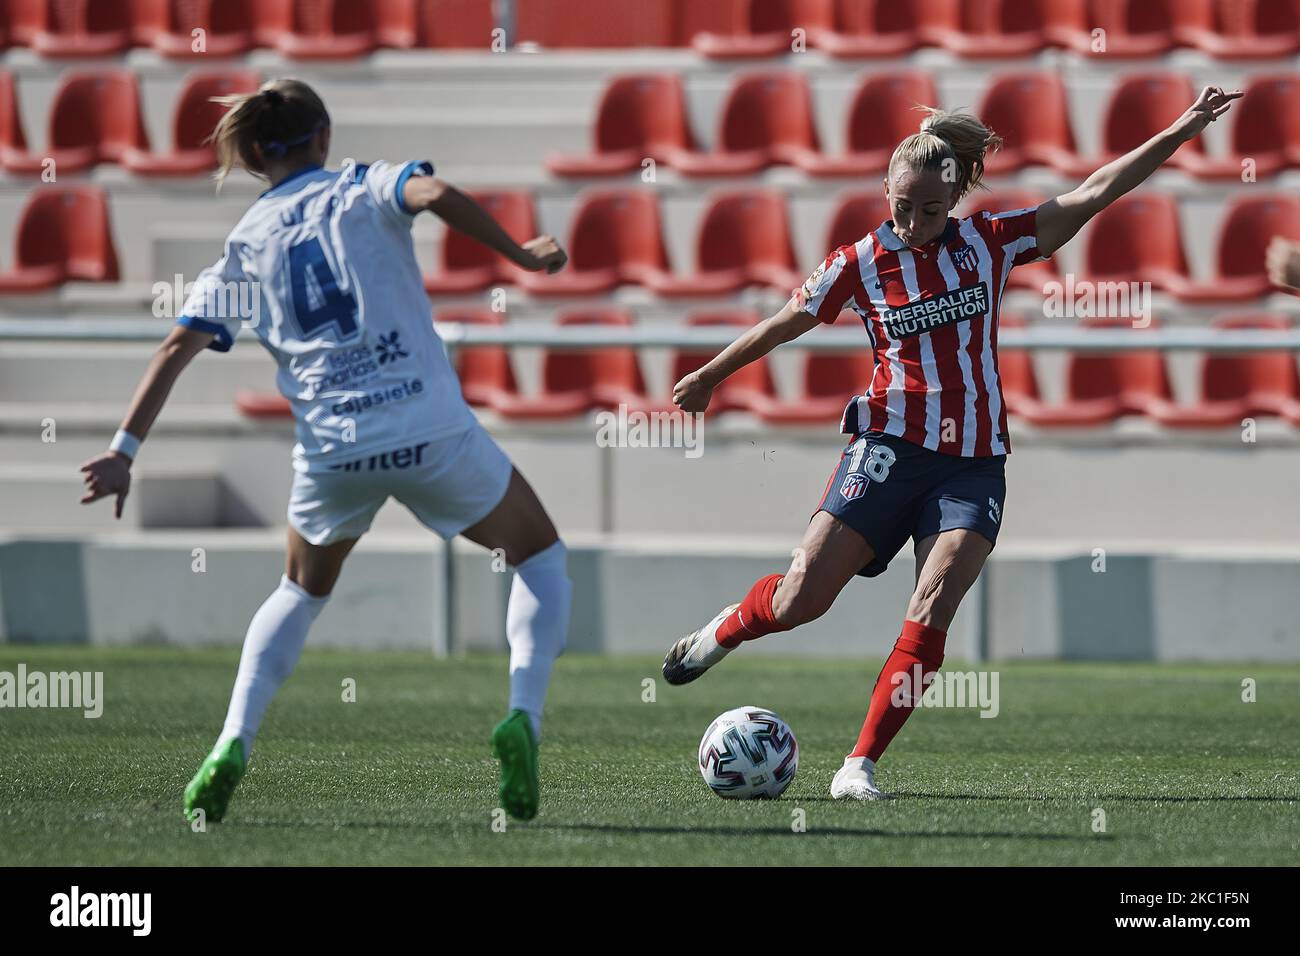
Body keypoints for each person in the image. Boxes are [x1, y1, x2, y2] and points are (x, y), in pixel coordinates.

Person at [663, 87, 1242, 800]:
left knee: (934, 600)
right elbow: (787, 320)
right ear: (886, 191)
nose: (913, 222)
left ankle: (858, 766)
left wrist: (1181, 129)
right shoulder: (860, 261)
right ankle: (728, 628)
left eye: (930, 210)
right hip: (887, 449)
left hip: (971, 465)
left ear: (958, 196)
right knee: (801, 601)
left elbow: (1092, 194)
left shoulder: (991, 242)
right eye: (901, 206)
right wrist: (710, 375)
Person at [79, 78, 572, 822]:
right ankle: (522, 716)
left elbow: (178, 344)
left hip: (332, 450)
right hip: (426, 429)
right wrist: (521, 256)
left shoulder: (247, 241)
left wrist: (123, 451)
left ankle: (231, 743)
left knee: (300, 594)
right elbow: (432, 195)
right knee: (538, 557)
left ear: (251, 155)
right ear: (323, 137)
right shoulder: (363, 186)